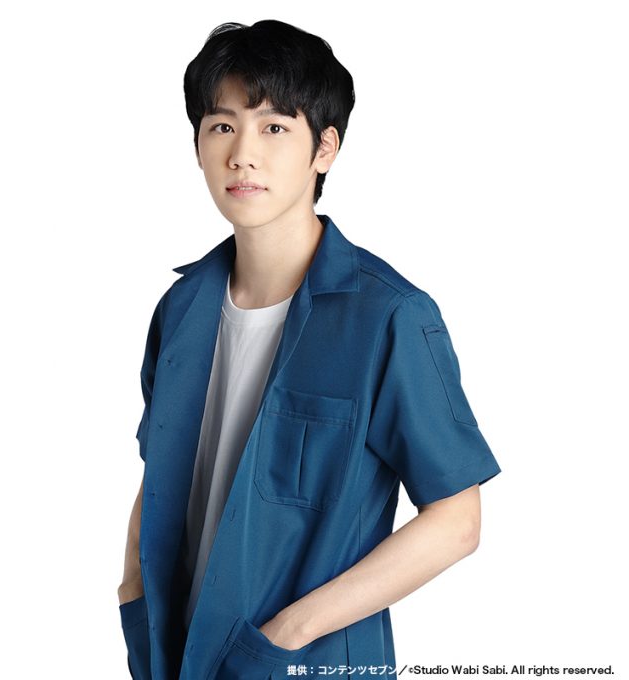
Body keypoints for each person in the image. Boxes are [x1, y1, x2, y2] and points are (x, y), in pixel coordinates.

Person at [117, 19, 501, 680]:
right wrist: (133, 589)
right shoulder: (181, 308)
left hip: (310, 663)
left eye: (274, 127)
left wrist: (288, 635)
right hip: (175, 659)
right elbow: (162, 472)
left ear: (325, 148)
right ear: (198, 144)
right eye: (222, 126)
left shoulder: (389, 316)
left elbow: (456, 519)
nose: (243, 154)